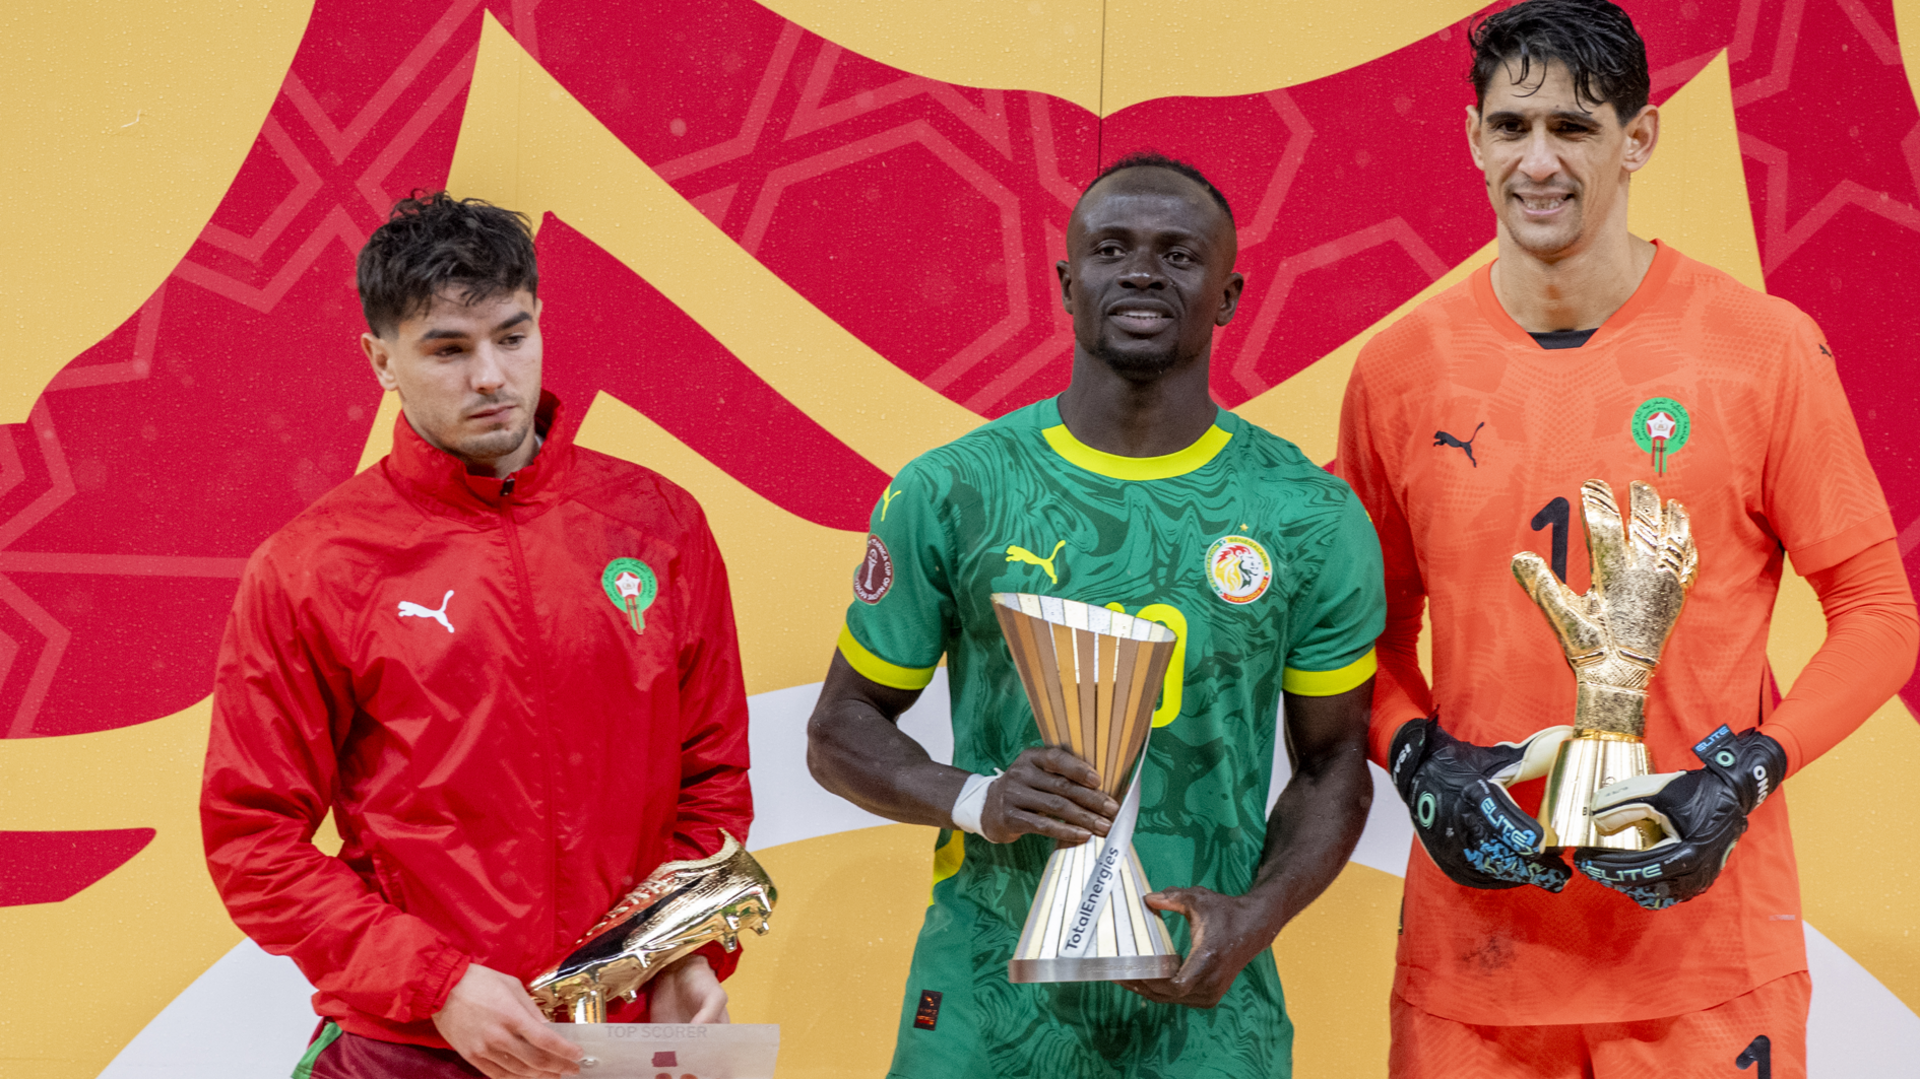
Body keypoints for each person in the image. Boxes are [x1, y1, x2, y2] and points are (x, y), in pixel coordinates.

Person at [1336, 2, 1920, 1076]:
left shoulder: (1764, 349)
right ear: (1473, 138)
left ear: (1639, 137)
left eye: (1575, 127)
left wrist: (1750, 771)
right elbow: (1360, 643)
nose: (1539, 161)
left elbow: (1880, 613)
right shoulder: (1398, 369)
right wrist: (1413, 752)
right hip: (1477, 974)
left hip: (1703, 966)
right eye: (1512, 128)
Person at [808, 152, 1385, 1078]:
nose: (1144, 271)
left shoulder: (1309, 515)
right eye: (1112, 249)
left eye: (1180, 254)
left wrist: (1259, 913)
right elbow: (841, 727)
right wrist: (977, 797)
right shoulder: (953, 489)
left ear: (1230, 294)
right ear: (1068, 285)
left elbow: (1334, 763)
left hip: (1205, 1013)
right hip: (983, 1003)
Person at [200, 193, 753, 1079]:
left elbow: (710, 782)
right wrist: (439, 983)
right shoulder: (314, 566)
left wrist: (681, 949)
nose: (491, 376)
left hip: (623, 1046)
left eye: (512, 334)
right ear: (380, 358)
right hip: (414, 1048)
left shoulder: (658, 525)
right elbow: (252, 841)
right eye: (448, 349)